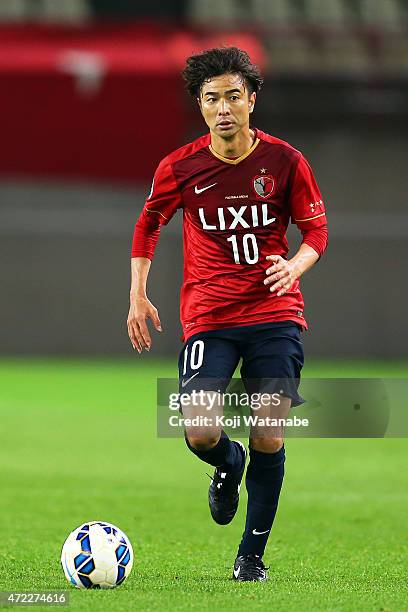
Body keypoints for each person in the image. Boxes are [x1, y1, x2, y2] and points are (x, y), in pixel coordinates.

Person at [127, 47, 328, 582]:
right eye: (212, 98)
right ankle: (227, 464)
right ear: (200, 105)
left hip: (274, 313)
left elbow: (317, 232)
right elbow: (148, 225)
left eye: (233, 96)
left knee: (269, 431)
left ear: (251, 100)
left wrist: (295, 266)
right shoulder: (181, 166)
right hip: (209, 317)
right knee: (198, 430)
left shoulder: (285, 161)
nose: (224, 108)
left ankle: (251, 557)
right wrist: (137, 294)